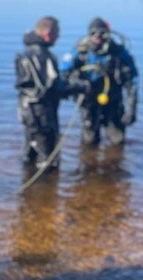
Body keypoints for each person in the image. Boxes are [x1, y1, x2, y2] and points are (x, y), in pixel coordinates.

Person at [14, 16, 88, 169]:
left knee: (31, 151)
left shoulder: (25, 53)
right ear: (48, 33)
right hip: (42, 113)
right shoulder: (44, 56)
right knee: (49, 159)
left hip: (27, 109)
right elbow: (54, 86)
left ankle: (27, 186)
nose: (58, 37)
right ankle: (45, 188)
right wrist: (80, 86)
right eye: (57, 33)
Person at [59, 17, 138, 146]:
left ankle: (114, 163)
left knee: (117, 140)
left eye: (101, 33)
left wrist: (132, 109)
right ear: (88, 34)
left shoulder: (118, 52)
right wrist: (75, 84)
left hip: (113, 100)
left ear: (107, 33)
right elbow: (62, 72)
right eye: (93, 33)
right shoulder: (79, 51)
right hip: (88, 100)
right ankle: (89, 163)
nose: (97, 36)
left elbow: (133, 79)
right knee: (89, 141)